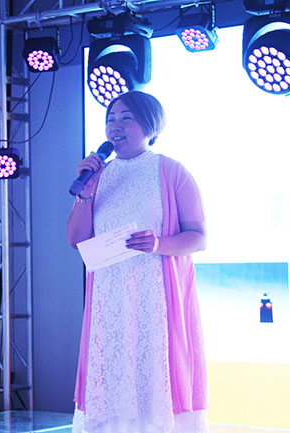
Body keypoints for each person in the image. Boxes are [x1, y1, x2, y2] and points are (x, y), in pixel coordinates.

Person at [67, 91, 208, 433]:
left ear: (150, 124)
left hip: (154, 297)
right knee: (111, 378)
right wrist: (85, 192)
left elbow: (199, 237)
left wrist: (159, 244)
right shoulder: (99, 176)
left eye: (126, 118)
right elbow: (76, 239)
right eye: (110, 119)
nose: (115, 126)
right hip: (109, 298)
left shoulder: (171, 171)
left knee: (154, 377)